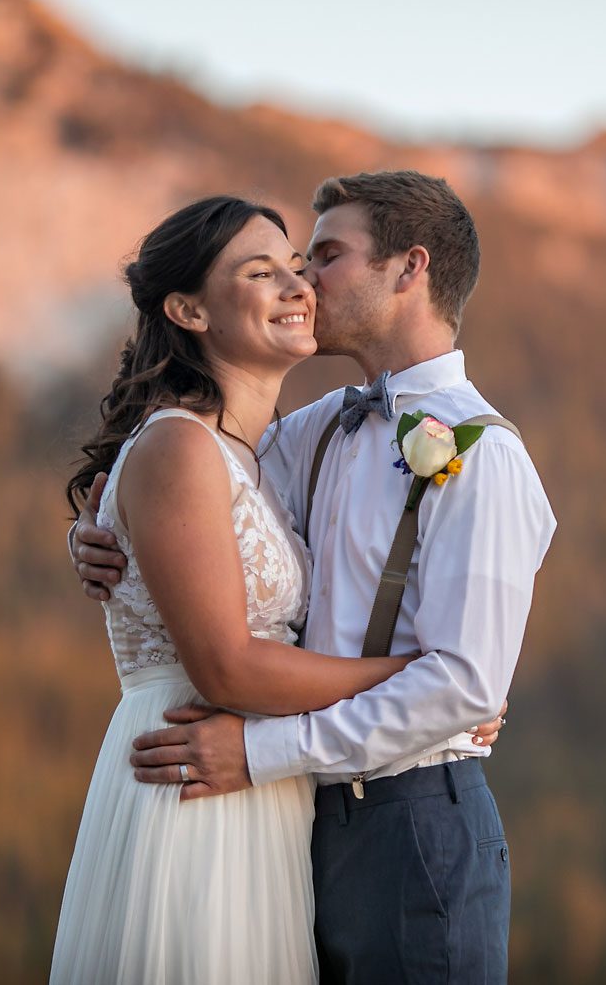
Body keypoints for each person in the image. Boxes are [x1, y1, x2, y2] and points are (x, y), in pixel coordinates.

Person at [72, 170, 556, 982]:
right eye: (289, 262)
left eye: (324, 255)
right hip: (293, 820)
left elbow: (465, 684)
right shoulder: (311, 432)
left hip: (410, 826)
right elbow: (186, 490)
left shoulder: (483, 453)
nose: (305, 281)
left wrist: (264, 751)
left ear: (410, 269)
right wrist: (97, 539)